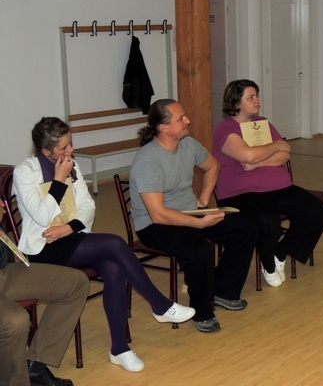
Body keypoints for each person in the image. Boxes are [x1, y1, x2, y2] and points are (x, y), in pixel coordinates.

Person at [12, 117, 196, 374]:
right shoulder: (25, 172)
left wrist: (69, 228)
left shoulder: (71, 165)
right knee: (114, 243)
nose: (71, 150)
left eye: (70, 143)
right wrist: (59, 180)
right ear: (46, 151)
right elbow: (41, 216)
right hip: (43, 247)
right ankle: (160, 305)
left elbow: (88, 207)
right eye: (64, 147)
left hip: (70, 237)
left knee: (113, 267)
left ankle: (120, 349)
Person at [129, 99, 258, 333]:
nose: (187, 121)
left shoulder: (187, 144)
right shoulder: (148, 161)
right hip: (155, 226)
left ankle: (223, 291)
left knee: (244, 229)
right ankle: (202, 311)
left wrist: (204, 199)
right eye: (181, 119)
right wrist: (199, 224)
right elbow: (158, 214)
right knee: (199, 250)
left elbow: (213, 166)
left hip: (190, 212)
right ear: (164, 127)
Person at [213, 80, 323, 288]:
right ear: (236, 103)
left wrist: (258, 159)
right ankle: (268, 264)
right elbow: (248, 155)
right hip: (242, 193)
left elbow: (285, 154)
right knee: (268, 222)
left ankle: (279, 253)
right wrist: (274, 146)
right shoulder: (225, 129)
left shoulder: (262, 123)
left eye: (257, 96)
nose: (257, 100)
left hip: (279, 187)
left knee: (317, 212)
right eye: (251, 97)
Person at [1, 203, 89, 386]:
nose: (3, 204)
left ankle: (35, 366)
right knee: (15, 320)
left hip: (4, 270)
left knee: (75, 283)